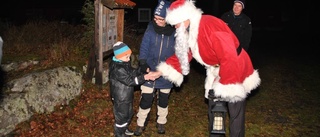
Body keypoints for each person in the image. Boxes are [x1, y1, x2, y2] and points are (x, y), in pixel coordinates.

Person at [149, 0, 261, 136]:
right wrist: (160, 71)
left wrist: (224, 83)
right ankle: (216, 134)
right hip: (216, 69)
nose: (175, 27)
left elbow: (229, 55)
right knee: (215, 108)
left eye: (176, 24)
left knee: (235, 108)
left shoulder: (209, 25)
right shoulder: (189, 30)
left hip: (235, 67)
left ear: (184, 18)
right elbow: (184, 55)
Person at [134, 0, 176, 135]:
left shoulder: (175, 31)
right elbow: (144, 47)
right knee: (146, 98)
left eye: (161, 19)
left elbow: (178, 53)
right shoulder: (150, 28)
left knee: (163, 99)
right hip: (150, 71)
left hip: (166, 72)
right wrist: (143, 63)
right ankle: (141, 123)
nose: (157, 21)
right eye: (155, 18)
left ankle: (161, 122)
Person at [109, 41, 154, 137]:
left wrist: (142, 70)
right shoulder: (118, 68)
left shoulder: (123, 63)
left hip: (126, 95)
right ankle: (119, 133)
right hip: (120, 97)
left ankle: (124, 129)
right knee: (122, 116)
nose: (128, 59)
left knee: (129, 114)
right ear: (118, 56)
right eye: (126, 57)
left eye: (129, 56)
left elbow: (132, 72)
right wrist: (144, 77)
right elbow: (130, 81)